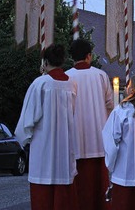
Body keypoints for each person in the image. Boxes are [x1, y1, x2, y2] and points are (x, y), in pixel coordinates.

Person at [15, 44, 79, 210]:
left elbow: (28, 119)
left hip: (43, 148)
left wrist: (24, 139)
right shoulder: (71, 84)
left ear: (45, 61)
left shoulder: (40, 83)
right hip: (64, 147)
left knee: (43, 197)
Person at [66, 39, 114, 210]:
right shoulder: (100, 75)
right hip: (98, 138)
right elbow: (110, 104)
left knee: (80, 190)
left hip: (76, 139)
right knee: (99, 187)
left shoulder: (67, 76)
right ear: (89, 56)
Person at [102, 75, 135, 210]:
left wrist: (110, 166)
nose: (126, 87)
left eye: (129, 84)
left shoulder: (121, 112)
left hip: (124, 171)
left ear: (133, 89)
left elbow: (111, 142)